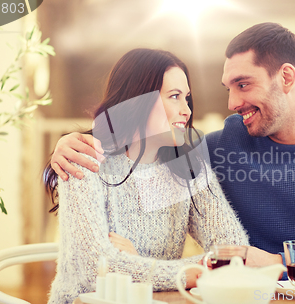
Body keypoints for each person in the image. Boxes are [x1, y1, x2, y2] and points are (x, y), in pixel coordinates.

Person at [50, 23, 295, 290]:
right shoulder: (206, 151)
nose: (232, 105)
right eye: (229, 88)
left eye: (244, 84)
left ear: (286, 77)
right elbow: (97, 260)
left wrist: (273, 264)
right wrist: (66, 144)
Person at [44, 48, 249, 304]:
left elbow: (233, 251)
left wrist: (137, 264)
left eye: (187, 98)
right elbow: (93, 271)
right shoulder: (85, 160)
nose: (186, 109)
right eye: (174, 96)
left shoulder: (189, 168)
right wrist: (195, 272)